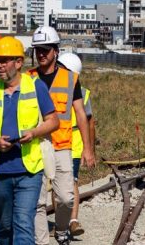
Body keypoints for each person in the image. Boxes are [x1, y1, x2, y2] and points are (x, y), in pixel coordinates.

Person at [0, 36, 59, 245]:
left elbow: (53, 121)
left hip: (29, 169)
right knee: (4, 225)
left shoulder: (36, 87)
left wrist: (34, 133)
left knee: (23, 222)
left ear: (18, 62)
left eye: (4, 61)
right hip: (1, 169)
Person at [28, 26, 94, 245]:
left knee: (66, 198)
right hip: (35, 146)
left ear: (56, 51)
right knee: (37, 202)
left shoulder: (70, 79)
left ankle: (63, 228)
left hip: (62, 145)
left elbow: (81, 114)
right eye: (38, 50)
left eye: (46, 49)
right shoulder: (28, 78)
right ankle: (42, 241)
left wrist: (87, 148)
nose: (41, 54)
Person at [57, 53, 93, 238]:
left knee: (72, 182)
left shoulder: (83, 93)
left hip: (74, 141)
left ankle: (72, 221)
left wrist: (89, 149)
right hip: (54, 140)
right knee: (57, 186)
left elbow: (89, 121)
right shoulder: (51, 87)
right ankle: (61, 223)